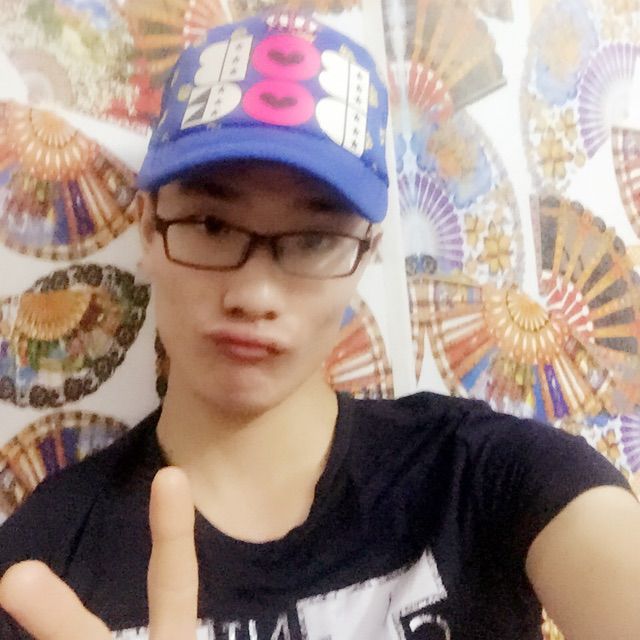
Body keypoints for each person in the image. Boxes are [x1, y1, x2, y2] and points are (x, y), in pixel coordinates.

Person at [0, 10, 639, 640]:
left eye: (313, 240)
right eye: (211, 225)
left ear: (366, 252)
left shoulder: (481, 478)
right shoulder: (41, 567)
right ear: (148, 225)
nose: (253, 296)